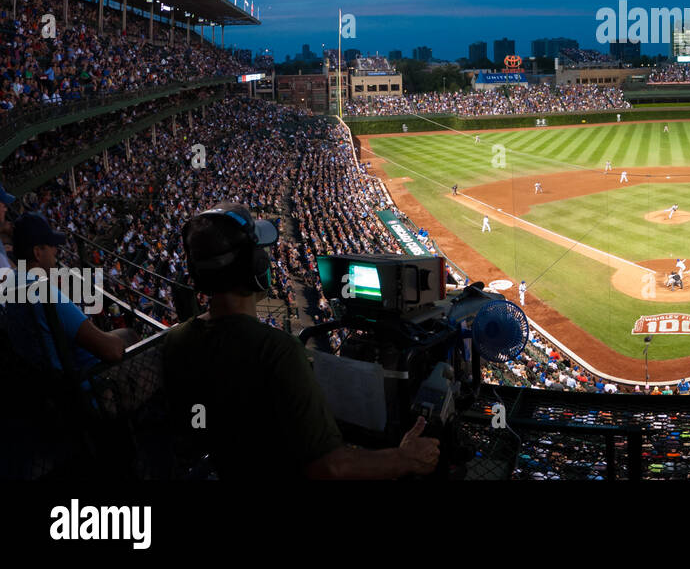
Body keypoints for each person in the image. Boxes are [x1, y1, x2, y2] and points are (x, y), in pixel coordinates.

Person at [163, 202, 439, 480]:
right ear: (254, 265)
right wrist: (404, 457)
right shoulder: (275, 349)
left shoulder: (175, 339)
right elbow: (329, 467)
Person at [10, 213, 138, 372]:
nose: (56, 251)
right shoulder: (43, 291)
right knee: (134, 339)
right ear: (37, 253)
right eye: (51, 246)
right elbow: (111, 351)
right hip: (88, 381)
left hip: (50, 382)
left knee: (126, 334)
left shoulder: (12, 285)